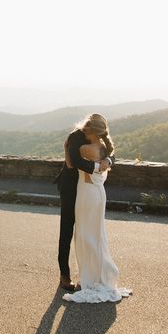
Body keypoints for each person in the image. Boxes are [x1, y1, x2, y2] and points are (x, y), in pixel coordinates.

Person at [62, 138, 132, 303]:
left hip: (86, 193)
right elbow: (109, 159)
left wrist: (67, 147)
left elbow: (72, 165)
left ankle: (90, 278)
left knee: (86, 236)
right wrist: (108, 159)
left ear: (90, 129)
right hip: (99, 192)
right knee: (97, 234)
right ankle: (101, 275)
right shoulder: (103, 148)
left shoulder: (84, 148)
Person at [54, 113, 115, 291]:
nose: (84, 129)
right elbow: (75, 162)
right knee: (67, 229)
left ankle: (90, 272)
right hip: (70, 186)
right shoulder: (75, 136)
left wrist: (108, 160)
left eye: (88, 128)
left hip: (86, 188)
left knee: (87, 229)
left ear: (95, 131)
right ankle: (64, 274)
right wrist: (98, 167)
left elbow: (111, 152)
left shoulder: (101, 137)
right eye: (85, 126)